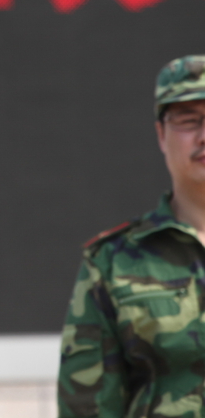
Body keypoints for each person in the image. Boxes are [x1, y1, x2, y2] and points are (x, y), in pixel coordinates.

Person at [57, 55, 205, 417]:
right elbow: (87, 407)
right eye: (188, 120)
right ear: (161, 134)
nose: (204, 135)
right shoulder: (114, 261)